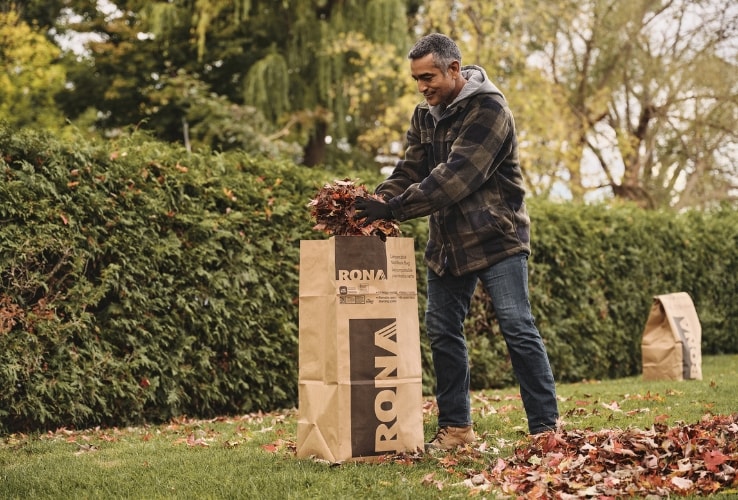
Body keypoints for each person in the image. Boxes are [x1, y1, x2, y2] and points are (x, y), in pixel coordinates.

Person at [354, 33, 559, 450]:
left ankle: (545, 429)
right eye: (416, 79)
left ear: (453, 68)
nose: (422, 87)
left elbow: (456, 176)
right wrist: (374, 202)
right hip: (448, 244)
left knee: (517, 327)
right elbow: (410, 169)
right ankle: (457, 430)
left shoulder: (491, 109)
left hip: (496, 238)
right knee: (442, 329)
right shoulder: (424, 115)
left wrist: (394, 211)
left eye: (428, 77)